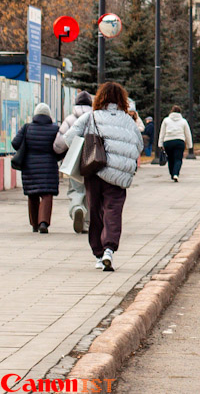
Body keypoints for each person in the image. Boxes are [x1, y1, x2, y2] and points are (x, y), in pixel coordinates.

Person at [63, 82, 143, 272]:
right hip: (118, 176)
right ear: (122, 100)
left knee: (95, 211)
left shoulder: (90, 117)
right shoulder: (128, 121)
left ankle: (98, 254)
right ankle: (109, 249)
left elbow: (68, 138)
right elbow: (138, 145)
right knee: (113, 212)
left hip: (95, 171)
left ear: (100, 98)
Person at [14, 103, 63, 232]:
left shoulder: (27, 128)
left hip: (30, 167)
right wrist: (55, 158)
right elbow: (61, 147)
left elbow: (15, 143)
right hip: (49, 167)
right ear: (49, 115)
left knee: (32, 195)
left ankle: (34, 224)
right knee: (47, 195)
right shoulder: (54, 129)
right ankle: (43, 223)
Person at [53, 91, 93, 233]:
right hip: (93, 159)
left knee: (76, 188)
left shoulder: (70, 119)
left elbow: (59, 145)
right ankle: (87, 223)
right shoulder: (95, 118)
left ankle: (77, 208)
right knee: (90, 189)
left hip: (74, 160)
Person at [159, 105, 194, 181]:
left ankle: (172, 174)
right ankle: (176, 174)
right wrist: (189, 145)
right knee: (178, 159)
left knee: (170, 159)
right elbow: (187, 133)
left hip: (168, 141)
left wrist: (160, 144)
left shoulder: (166, 120)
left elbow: (162, 132)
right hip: (179, 141)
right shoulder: (183, 121)